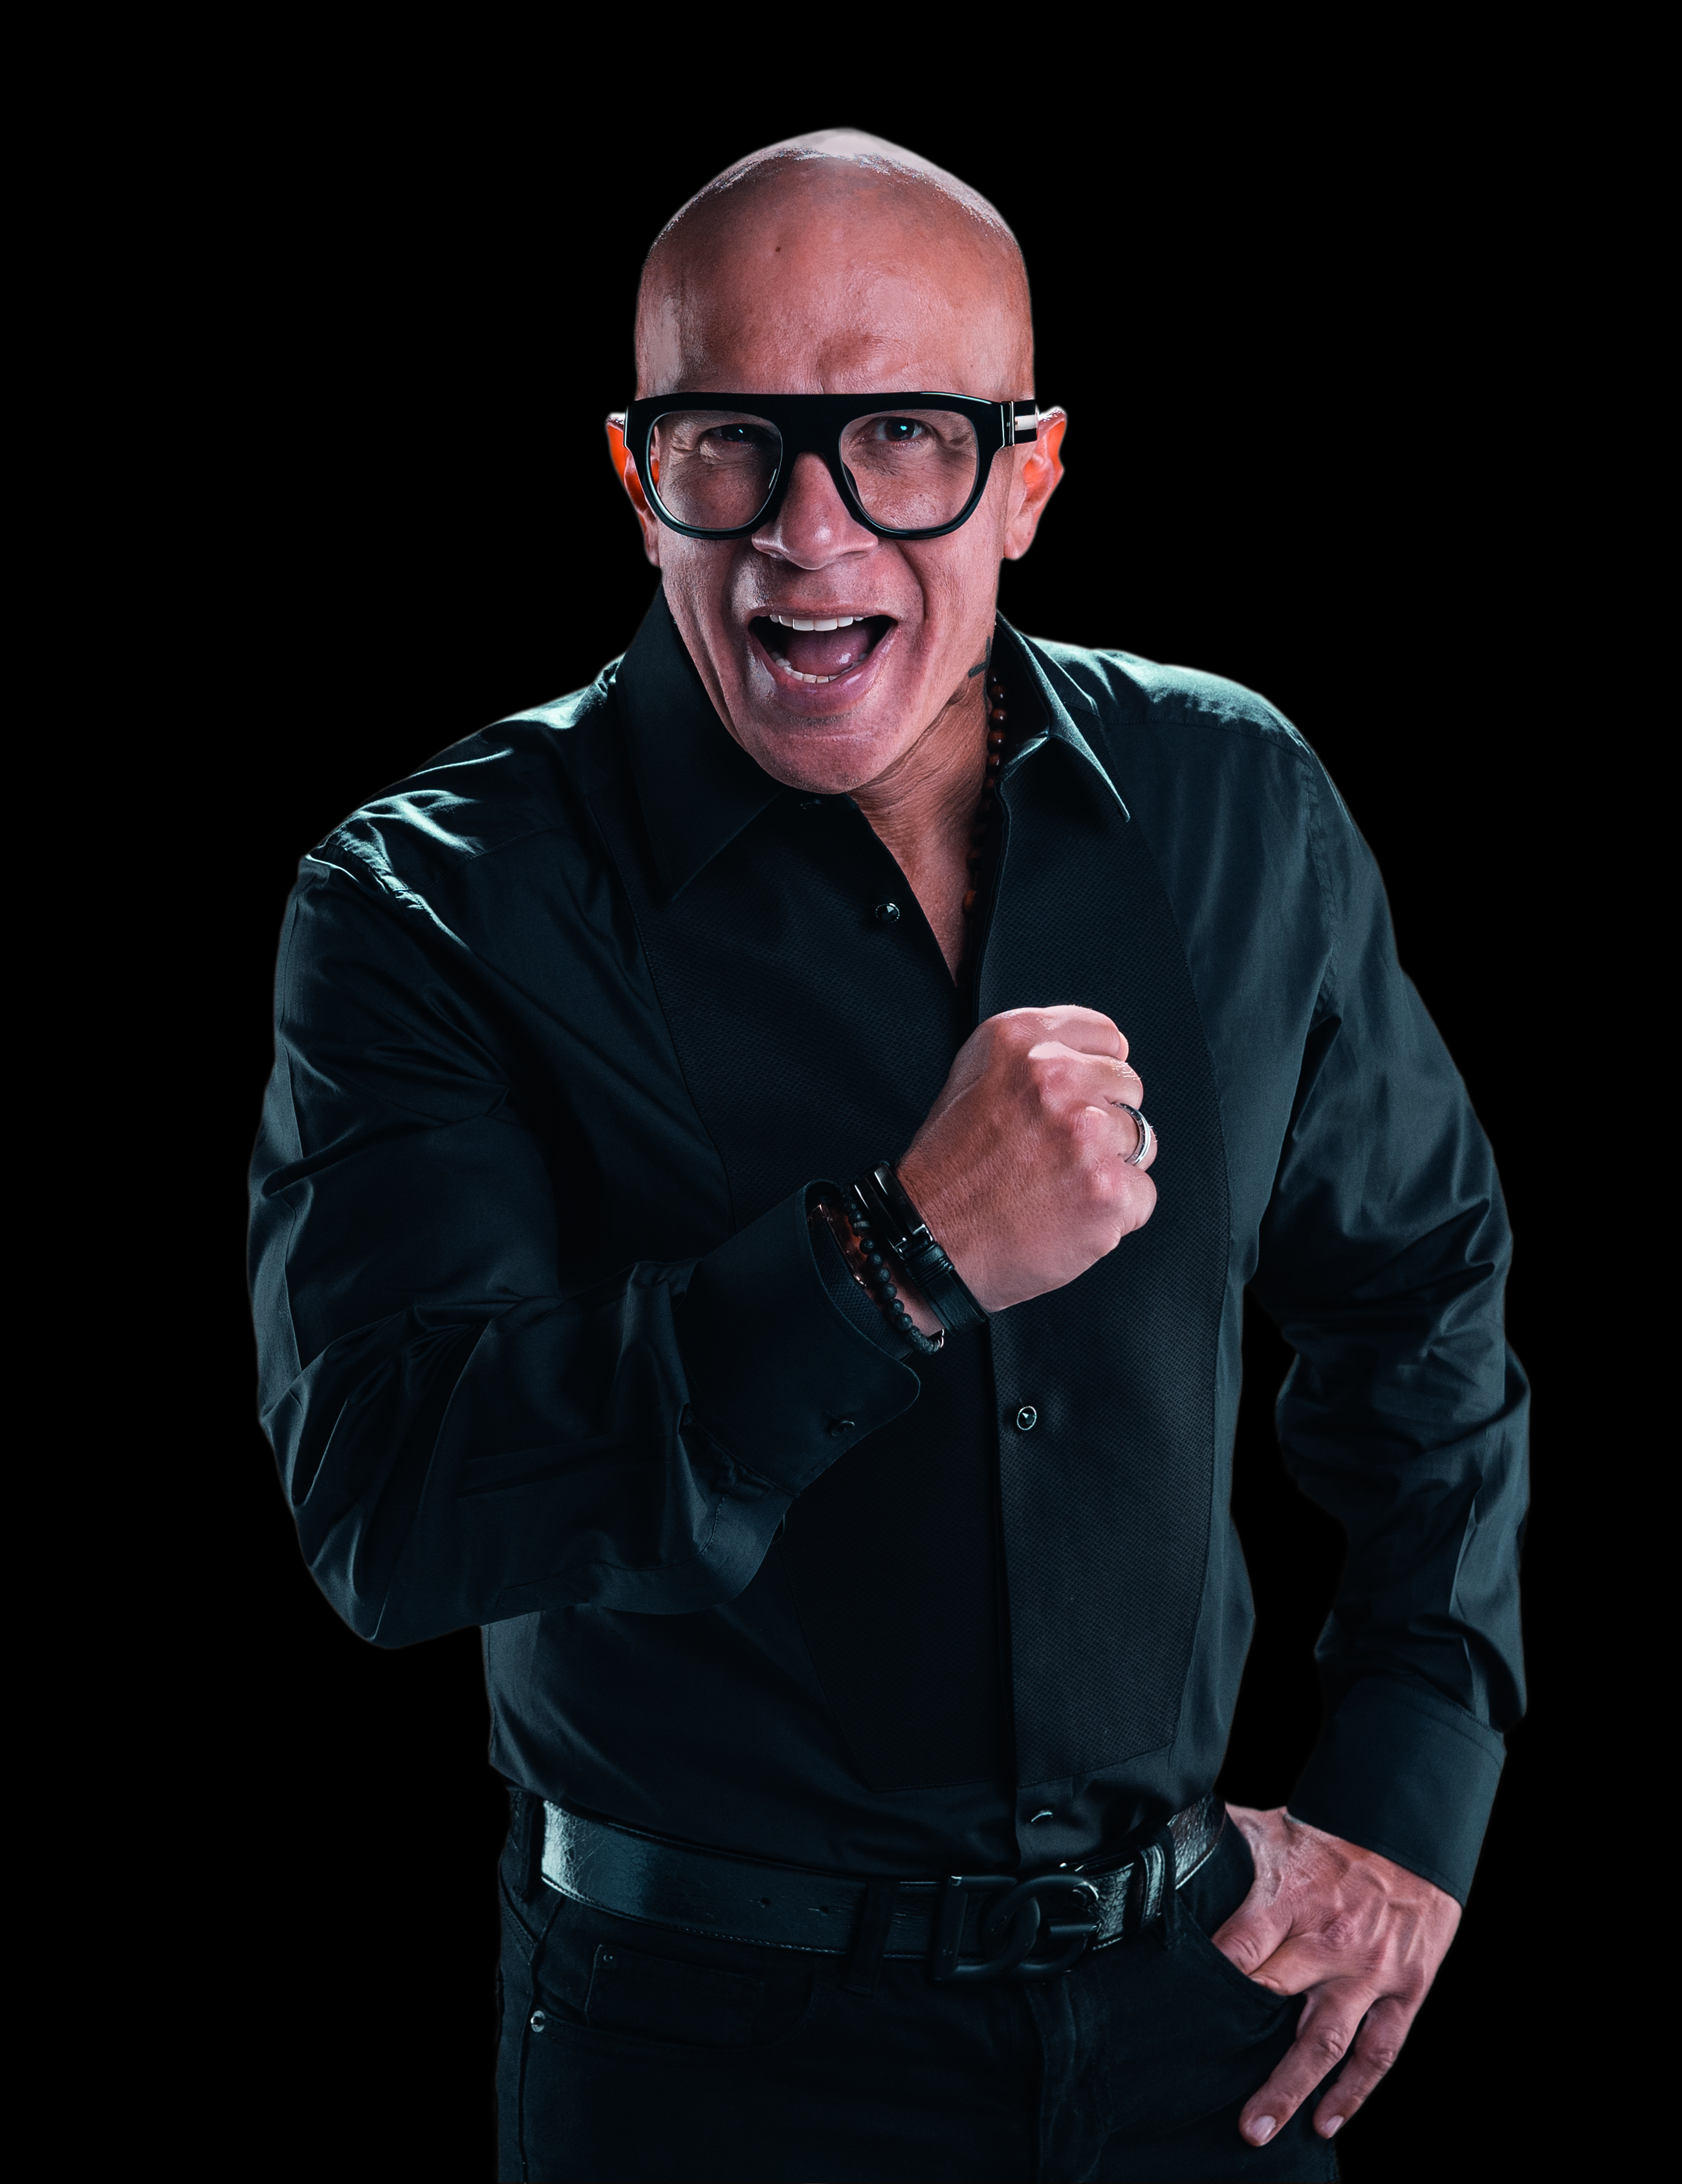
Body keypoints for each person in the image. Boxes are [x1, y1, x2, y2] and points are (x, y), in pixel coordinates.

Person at [248, 129, 1527, 2182]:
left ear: (1029, 476)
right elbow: (396, 1503)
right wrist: (894, 1255)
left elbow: (1422, 1291)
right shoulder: (429, 906)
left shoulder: (1239, 802)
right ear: (639, 474)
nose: (811, 533)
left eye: (907, 436)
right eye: (731, 442)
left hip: (1208, 2031)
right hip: (701, 2054)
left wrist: (1410, 1782)